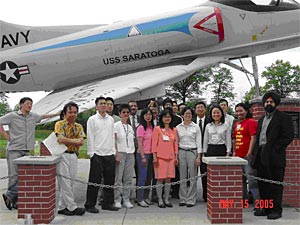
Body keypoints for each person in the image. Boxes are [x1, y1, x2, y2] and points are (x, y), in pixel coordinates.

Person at [0, 97, 59, 210]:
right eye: (27, 104)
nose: (30, 106)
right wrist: (5, 135)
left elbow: (43, 116)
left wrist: (56, 114)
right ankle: (13, 198)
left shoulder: (33, 116)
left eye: (31, 104)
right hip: (14, 149)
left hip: (26, 150)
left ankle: (11, 196)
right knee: (14, 176)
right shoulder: (12, 116)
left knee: (24, 176)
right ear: (21, 105)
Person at [252, 91, 294, 220]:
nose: (268, 104)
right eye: (266, 102)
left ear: (275, 103)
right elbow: (258, 137)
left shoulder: (283, 118)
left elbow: (288, 137)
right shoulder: (261, 119)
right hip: (261, 155)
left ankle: (276, 210)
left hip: (275, 157)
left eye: (271, 101)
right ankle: (265, 207)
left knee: (275, 184)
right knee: (263, 184)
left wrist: (275, 148)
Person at [84, 97, 118, 213]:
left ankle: (108, 203)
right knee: (95, 181)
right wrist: (91, 153)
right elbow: (90, 137)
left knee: (110, 181)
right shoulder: (92, 119)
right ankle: (90, 204)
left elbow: (113, 136)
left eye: (105, 103)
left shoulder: (111, 120)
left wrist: (113, 151)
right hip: (97, 153)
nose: (104, 105)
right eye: (101, 104)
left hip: (109, 153)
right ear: (96, 106)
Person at [55, 102, 86, 216]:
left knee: (71, 182)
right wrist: (74, 141)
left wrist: (70, 140)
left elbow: (82, 141)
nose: (73, 114)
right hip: (62, 155)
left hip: (74, 155)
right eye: (70, 112)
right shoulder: (59, 124)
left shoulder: (79, 126)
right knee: (65, 181)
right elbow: (60, 139)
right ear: (65, 113)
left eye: (75, 112)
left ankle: (62, 207)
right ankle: (72, 207)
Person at [152, 109, 178, 208]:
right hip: (160, 157)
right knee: (160, 179)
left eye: (169, 117)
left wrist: (176, 156)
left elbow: (175, 144)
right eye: (165, 116)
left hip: (171, 157)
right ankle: (160, 199)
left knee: (168, 179)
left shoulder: (174, 130)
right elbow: (154, 144)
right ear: (161, 118)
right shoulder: (157, 129)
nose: (167, 118)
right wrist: (154, 157)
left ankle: (166, 199)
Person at [232, 103, 258, 202]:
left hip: (247, 157)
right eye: (237, 111)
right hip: (238, 158)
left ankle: (258, 203)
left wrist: (249, 152)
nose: (239, 113)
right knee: (240, 181)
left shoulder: (251, 122)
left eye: (241, 111)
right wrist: (234, 152)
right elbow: (234, 139)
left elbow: (253, 138)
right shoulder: (236, 124)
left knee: (252, 181)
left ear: (246, 111)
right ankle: (244, 202)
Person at [177, 107, 201, 207]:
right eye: (186, 113)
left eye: (190, 114)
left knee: (193, 176)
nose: (188, 115)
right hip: (181, 152)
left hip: (192, 152)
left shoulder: (196, 127)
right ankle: (183, 198)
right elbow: (176, 142)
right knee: (182, 177)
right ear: (182, 115)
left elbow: (199, 142)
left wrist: (199, 156)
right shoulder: (178, 127)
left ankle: (191, 199)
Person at [114, 104, 135, 209]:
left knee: (128, 178)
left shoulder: (130, 127)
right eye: (124, 112)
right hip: (120, 153)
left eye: (127, 112)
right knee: (118, 178)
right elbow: (114, 141)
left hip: (130, 154)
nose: (126, 114)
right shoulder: (116, 125)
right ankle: (117, 199)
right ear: (119, 114)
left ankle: (126, 199)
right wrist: (116, 154)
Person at [162, 98, 181, 198]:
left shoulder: (177, 119)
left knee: (175, 172)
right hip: (163, 149)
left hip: (174, 147)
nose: (168, 106)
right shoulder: (162, 118)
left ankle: (175, 191)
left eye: (170, 104)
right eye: (166, 105)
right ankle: (163, 193)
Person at [136, 108, 154, 207]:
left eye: (150, 114)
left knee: (149, 178)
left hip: (151, 154)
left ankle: (146, 197)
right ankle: (140, 198)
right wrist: (143, 157)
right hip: (143, 155)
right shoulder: (141, 127)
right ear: (142, 116)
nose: (148, 116)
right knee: (142, 177)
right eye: (146, 114)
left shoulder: (151, 127)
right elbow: (139, 143)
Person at [193, 101, 210, 202]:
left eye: (202, 107)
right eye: (198, 107)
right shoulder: (192, 120)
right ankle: (192, 196)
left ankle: (206, 195)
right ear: (195, 110)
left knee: (205, 174)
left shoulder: (209, 120)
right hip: (193, 150)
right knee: (192, 174)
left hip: (206, 151)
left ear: (205, 109)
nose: (200, 109)